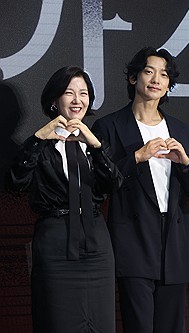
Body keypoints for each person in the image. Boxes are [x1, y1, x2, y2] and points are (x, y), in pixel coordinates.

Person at [91, 47, 189, 333]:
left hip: (174, 240)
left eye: (164, 75)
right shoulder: (109, 127)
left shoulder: (180, 130)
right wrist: (136, 158)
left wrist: (186, 162)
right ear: (133, 78)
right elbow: (102, 185)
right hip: (133, 239)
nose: (156, 79)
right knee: (139, 326)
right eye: (149, 71)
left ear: (169, 85)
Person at [9, 66, 123, 333]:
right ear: (54, 100)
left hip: (97, 243)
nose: (77, 100)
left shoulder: (94, 144)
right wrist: (38, 139)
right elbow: (16, 183)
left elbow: (115, 184)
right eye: (69, 93)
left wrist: (95, 146)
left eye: (83, 94)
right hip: (56, 243)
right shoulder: (40, 145)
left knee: (101, 323)